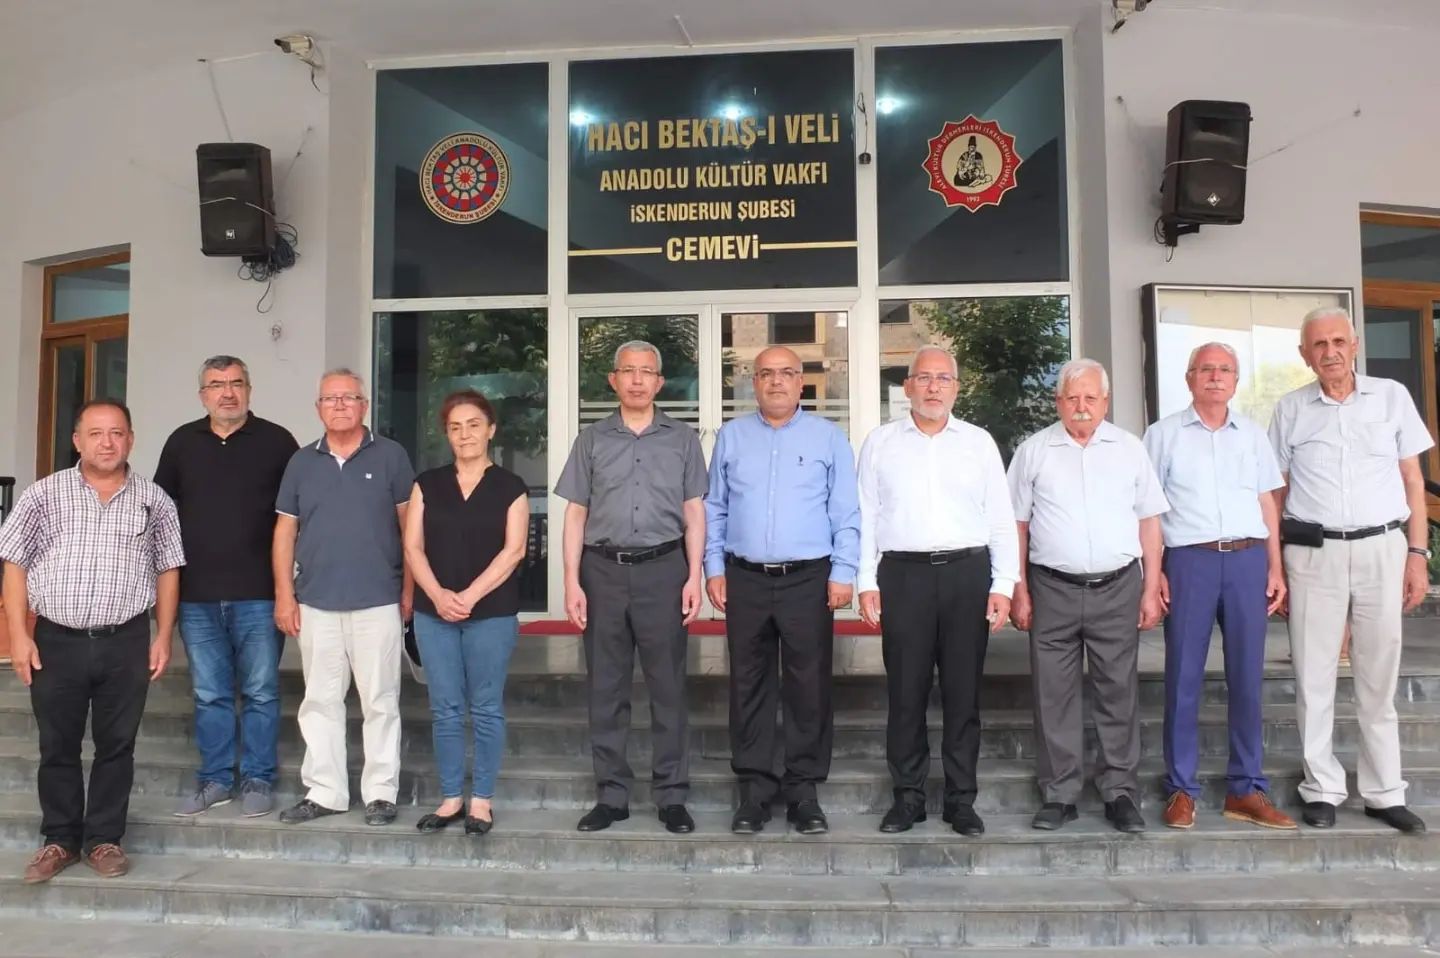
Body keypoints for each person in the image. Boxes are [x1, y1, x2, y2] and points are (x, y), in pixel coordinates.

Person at [1, 400, 185, 882]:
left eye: (118, 433)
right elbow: (14, 564)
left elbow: (168, 571)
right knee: (56, 744)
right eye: (96, 433)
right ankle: (59, 840)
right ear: (78, 440)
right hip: (56, 641)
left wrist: (163, 635)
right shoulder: (44, 494)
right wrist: (19, 635)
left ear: (131, 439)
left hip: (125, 640)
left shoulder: (154, 500)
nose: (108, 442)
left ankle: (104, 839)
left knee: (116, 745)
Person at [1269, 306, 1431, 834]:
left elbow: (1412, 480)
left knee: (1377, 676)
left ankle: (1384, 792)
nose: (1330, 352)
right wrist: (1280, 561)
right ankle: (1322, 788)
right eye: (1319, 345)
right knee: (1313, 676)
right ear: (1304, 354)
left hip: (1383, 549)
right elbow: (1276, 491)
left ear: (1355, 345)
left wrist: (1417, 553)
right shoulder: (1291, 409)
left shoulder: (1391, 397)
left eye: (1339, 341)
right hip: (1314, 554)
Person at [857, 347, 1018, 836]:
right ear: (906, 387)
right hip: (902, 577)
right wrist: (866, 580)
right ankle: (906, 797)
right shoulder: (881, 443)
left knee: (962, 693)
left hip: (966, 576)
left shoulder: (978, 442)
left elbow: (999, 519)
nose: (932, 387)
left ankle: (960, 799)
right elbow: (864, 515)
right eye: (923, 378)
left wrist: (1004, 583)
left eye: (942, 379)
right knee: (905, 692)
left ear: (956, 387)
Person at [705, 345, 860, 836]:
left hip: (808, 579)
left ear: (801, 381)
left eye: (786, 374)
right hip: (745, 577)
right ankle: (754, 791)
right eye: (766, 374)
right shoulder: (731, 437)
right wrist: (713, 566)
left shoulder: (827, 438)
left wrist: (845, 570)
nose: (776, 382)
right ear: (753, 382)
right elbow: (715, 508)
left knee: (808, 686)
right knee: (747, 685)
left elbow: (846, 512)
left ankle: (803, 792)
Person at [1008, 358, 1168, 834]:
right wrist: (1018, 588)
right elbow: (1014, 524)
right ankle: (1059, 793)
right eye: (1072, 398)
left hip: (1118, 586)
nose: (1081, 407)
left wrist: (1151, 586)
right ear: (1058, 401)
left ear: (1105, 402)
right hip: (1051, 587)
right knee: (1052, 695)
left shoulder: (1130, 449)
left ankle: (1120, 792)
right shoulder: (1034, 451)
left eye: (1090, 398)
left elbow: (1150, 521)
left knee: (1118, 692)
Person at [555, 341, 707, 835]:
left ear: (660, 383)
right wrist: (571, 581)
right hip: (603, 572)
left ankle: (671, 796)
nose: (638, 380)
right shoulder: (592, 440)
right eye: (629, 371)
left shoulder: (682, 440)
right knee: (606, 688)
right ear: (613, 379)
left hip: (664, 569)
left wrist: (694, 574)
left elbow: (694, 512)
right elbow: (575, 513)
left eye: (648, 372)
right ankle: (612, 795)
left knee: (668, 687)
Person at [1142, 343, 1295, 830]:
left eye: (1224, 369)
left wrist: (1275, 567)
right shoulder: (1162, 435)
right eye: (1205, 369)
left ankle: (1245, 789)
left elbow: (1268, 502)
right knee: (1183, 677)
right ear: (1189, 379)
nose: (1215, 376)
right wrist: (1156, 570)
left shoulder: (1252, 435)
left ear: (1236, 380)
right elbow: (1148, 508)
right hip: (1190, 560)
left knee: (1247, 679)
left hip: (1249, 560)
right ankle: (1181, 789)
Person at [154, 355, 298, 819]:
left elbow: (294, 519)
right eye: (217, 385)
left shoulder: (278, 443)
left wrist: (287, 589)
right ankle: (215, 779)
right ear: (203, 395)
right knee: (210, 692)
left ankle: (258, 778)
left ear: (250, 390)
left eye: (236, 383)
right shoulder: (181, 443)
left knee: (260, 691)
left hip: (259, 592)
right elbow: (161, 513)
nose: (227, 393)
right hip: (196, 595)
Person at [273, 369, 415, 827]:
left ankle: (380, 794)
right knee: (319, 701)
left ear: (364, 406)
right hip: (315, 601)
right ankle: (326, 791)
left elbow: (409, 529)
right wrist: (284, 595)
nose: (338, 405)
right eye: (329, 399)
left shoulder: (391, 456)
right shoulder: (300, 462)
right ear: (318, 407)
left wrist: (409, 591)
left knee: (380, 701)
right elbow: (285, 532)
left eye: (348, 398)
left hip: (378, 600)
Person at [403, 390, 529, 835]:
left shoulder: (511, 487)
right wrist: (437, 595)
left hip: (490, 612)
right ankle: (451, 797)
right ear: (447, 435)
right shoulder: (427, 484)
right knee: (446, 709)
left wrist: (469, 596)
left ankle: (482, 801)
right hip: (433, 613)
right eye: (456, 427)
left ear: (490, 429)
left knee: (487, 707)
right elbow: (412, 547)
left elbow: (513, 551)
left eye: (473, 424)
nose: (465, 434)